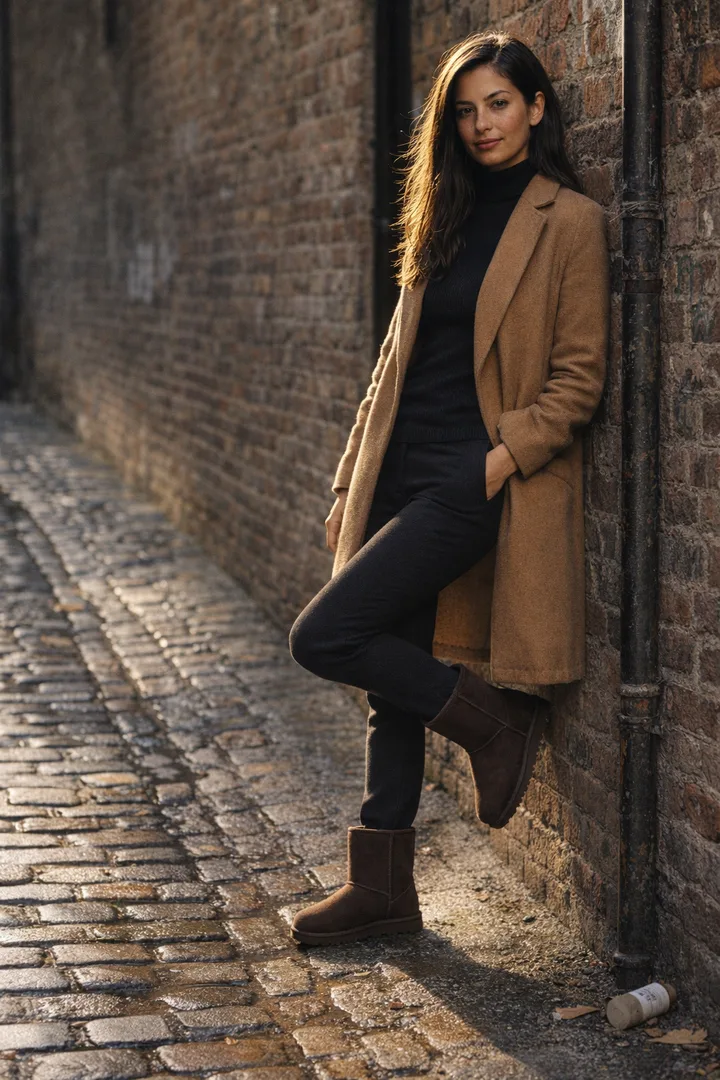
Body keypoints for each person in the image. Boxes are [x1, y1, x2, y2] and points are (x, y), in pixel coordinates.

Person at [287, 29, 610, 946]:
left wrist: (497, 462)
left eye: (499, 104)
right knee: (388, 671)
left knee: (326, 634)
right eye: (465, 111)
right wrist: (354, 474)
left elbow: (579, 382)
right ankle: (383, 886)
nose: (481, 124)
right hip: (397, 469)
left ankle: (496, 727)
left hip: (469, 480)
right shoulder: (448, 209)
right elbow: (395, 361)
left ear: (536, 107)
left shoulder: (571, 223)